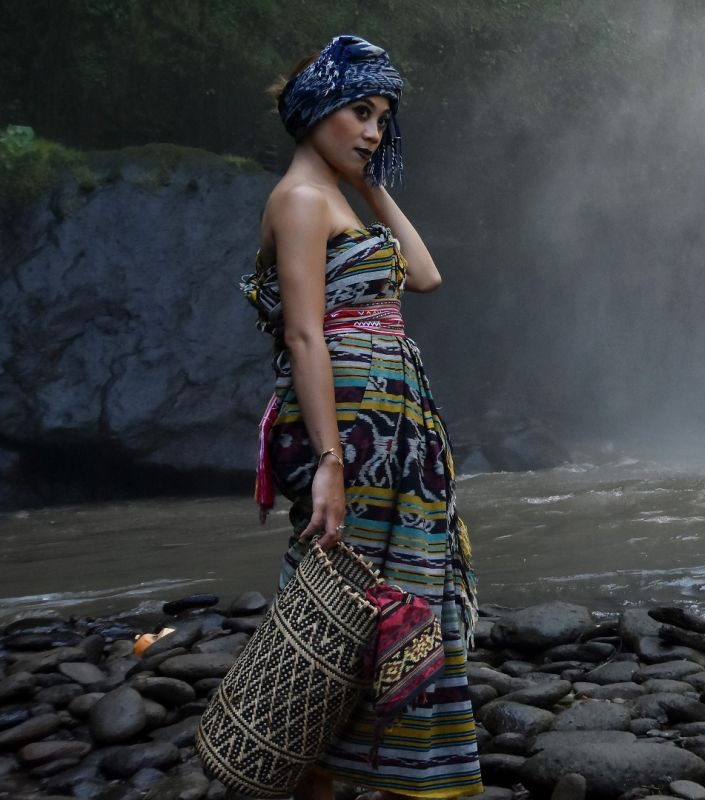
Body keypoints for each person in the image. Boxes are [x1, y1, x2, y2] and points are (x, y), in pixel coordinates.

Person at [240, 35, 482, 799]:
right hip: (352, 434)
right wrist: (331, 467)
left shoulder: (338, 197)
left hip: (389, 430)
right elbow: (306, 333)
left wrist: (376, 187)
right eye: (359, 111)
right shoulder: (301, 200)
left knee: (373, 604)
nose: (374, 130)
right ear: (317, 109)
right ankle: (312, 770)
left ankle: (376, 772)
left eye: (382, 118)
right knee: (343, 605)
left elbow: (429, 276)